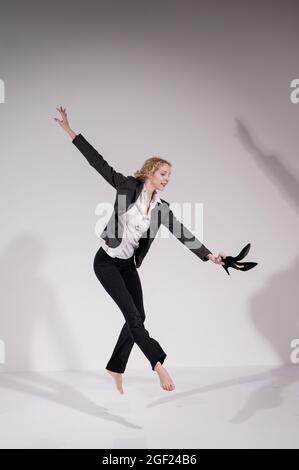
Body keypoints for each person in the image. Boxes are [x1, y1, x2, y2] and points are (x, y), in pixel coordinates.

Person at [54, 106, 226, 393]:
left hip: (127, 266)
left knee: (138, 317)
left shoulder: (160, 209)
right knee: (133, 317)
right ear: (149, 172)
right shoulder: (127, 186)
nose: (167, 178)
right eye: (163, 173)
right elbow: (98, 162)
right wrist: (71, 131)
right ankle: (158, 366)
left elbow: (183, 233)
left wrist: (209, 256)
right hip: (106, 263)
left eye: (169, 175)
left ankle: (115, 367)